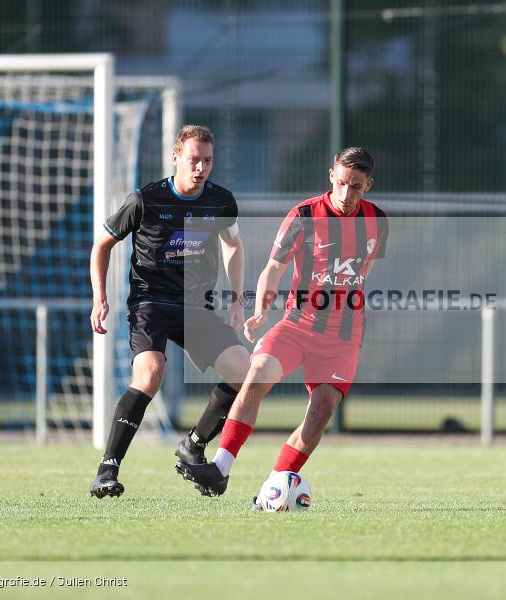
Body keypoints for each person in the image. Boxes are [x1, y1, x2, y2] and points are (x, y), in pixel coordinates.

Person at [175, 147, 388, 501]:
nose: (347, 194)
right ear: (331, 175)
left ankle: (275, 486)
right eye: (343, 183)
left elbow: (363, 274)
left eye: (357, 187)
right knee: (257, 374)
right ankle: (220, 468)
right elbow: (273, 267)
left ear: (368, 186)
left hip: (342, 337)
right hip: (297, 324)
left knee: (322, 410)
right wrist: (260, 310)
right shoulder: (304, 215)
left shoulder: (377, 222)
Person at [89, 125, 250, 498]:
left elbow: (234, 245)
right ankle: (107, 469)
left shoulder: (221, 202)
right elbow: (102, 245)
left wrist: (239, 300)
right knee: (150, 374)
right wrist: (100, 298)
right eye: (194, 159)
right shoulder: (145, 200)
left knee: (246, 373)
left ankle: (193, 445)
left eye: (208, 161)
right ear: (176, 156)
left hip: (196, 307)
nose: (201, 168)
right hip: (151, 303)